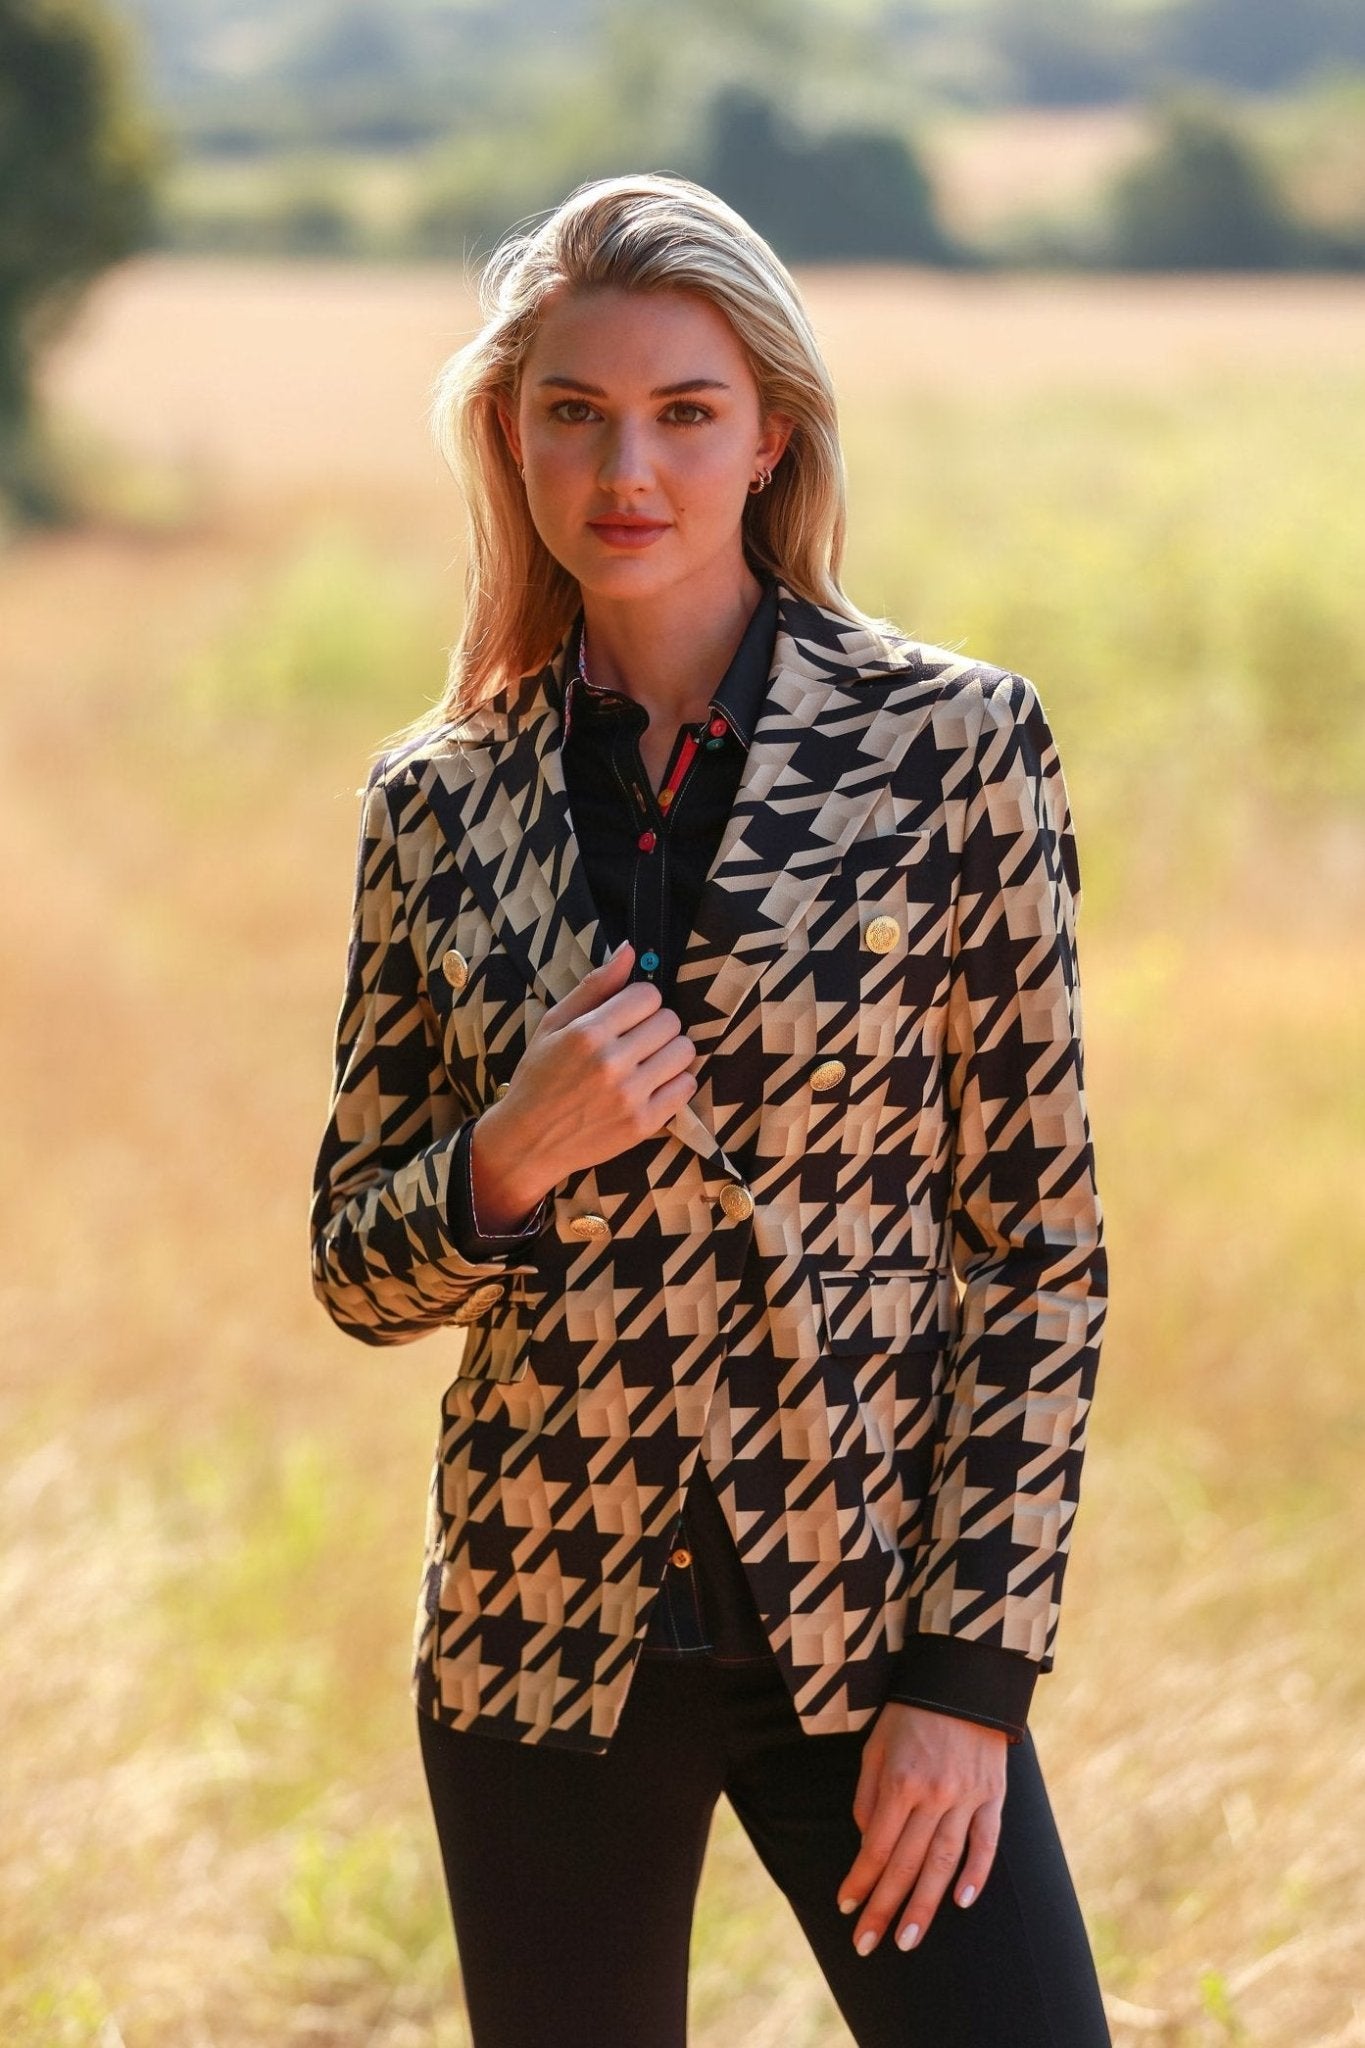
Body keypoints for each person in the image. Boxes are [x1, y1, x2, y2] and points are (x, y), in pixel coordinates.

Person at [309, 171, 1111, 2048]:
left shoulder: (950, 746)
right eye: (573, 411)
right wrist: (508, 1154)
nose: (626, 469)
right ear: (509, 437)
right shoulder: (436, 800)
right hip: (534, 1636)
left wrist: (969, 1679)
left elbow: (1039, 1247)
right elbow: (354, 1265)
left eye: (684, 411)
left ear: (770, 438)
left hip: (872, 1623)